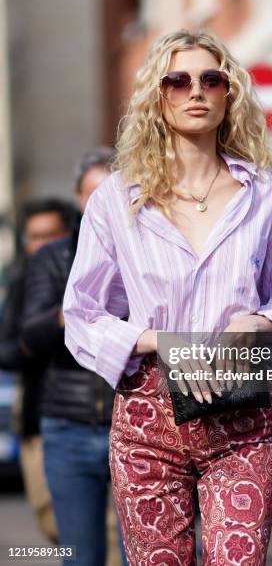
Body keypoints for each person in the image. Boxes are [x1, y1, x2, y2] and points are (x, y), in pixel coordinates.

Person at [63, 29, 272, 566]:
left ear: (230, 94)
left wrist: (261, 323)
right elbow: (82, 314)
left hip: (243, 417)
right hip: (147, 418)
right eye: (177, 81)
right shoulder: (117, 199)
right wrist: (161, 341)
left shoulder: (269, 197)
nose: (195, 91)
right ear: (158, 98)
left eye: (211, 79)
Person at [21, 148, 127, 566]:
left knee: (146, 552)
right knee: (79, 556)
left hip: (133, 422)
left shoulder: (143, 251)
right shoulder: (52, 257)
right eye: (92, 193)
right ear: (79, 198)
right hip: (68, 425)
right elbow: (26, 335)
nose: (102, 202)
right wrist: (71, 315)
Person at [0, 198, 76, 542]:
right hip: (37, 415)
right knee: (52, 522)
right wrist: (39, 336)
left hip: (87, 413)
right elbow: (7, 347)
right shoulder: (19, 285)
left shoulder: (86, 273)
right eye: (33, 237)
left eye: (49, 236)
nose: (39, 246)